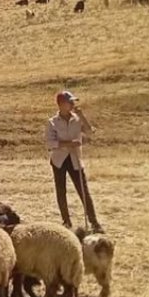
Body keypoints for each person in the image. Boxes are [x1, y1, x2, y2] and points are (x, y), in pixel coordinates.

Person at [47, 91, 103, 232]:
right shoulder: (52, 122)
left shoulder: (78, 119)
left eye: (73, 102)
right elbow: (50, 143)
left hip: (75, 160)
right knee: (61, 192)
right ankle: (66, 222)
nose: (73, 104)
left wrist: (83, 116)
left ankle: (94, 222)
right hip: (59, 160)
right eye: (69, 102)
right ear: (61, 104)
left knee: (83, 191)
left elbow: (90, 132)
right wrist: (68, 144)